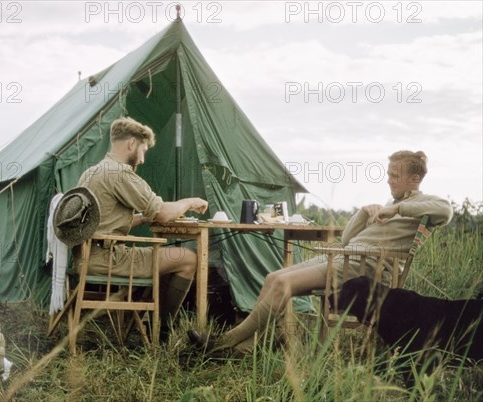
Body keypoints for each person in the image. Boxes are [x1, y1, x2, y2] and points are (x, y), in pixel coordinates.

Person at [188, 150, 453, 355]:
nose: (388, 179)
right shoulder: (389, 203)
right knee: (273, 277)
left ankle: (222, 343)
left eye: (395, 175)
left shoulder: (422, 204)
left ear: (414, 179)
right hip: (347, 256)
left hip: (363, 267)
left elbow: (446, 211)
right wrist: (363, 213)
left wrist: (397, 210)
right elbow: (348, 238)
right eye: (389, 173)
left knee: (282, 283)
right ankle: (244, 349)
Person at [77, 116, 208, 339]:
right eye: (143, 150)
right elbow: (164, 213)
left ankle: (145, 321)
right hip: (109, 259)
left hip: (85, 256)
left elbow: (105, 221)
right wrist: (189, 202)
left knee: (167, 258)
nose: (143, 159)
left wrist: (144, 218)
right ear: (131, 143)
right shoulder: (120, 173)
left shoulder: (92, 172)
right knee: (187, 258)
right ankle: (162, 330)